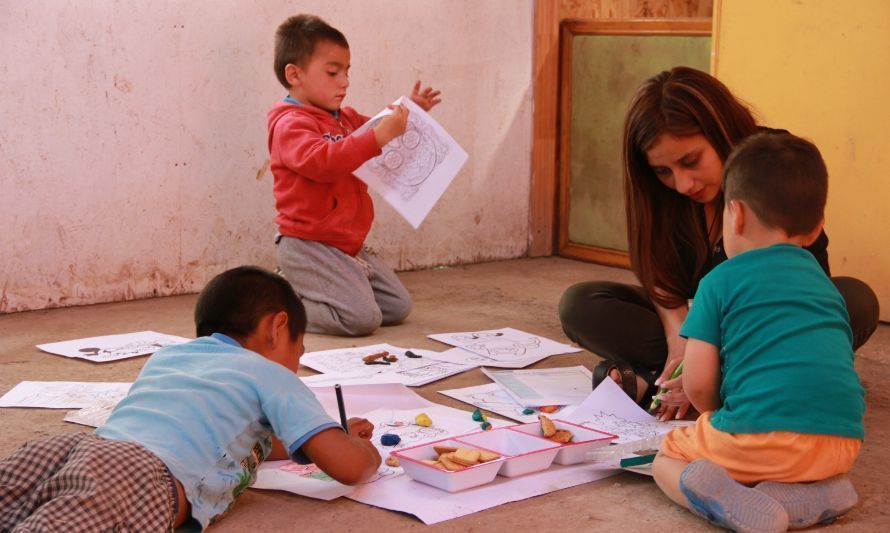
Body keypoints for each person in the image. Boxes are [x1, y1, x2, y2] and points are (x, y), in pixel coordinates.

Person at [558, 67, 879, 416]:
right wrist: (680, 338)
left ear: (721, 129)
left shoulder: (772, 162)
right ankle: (711, 379)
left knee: (854, 301)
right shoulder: (658, 195)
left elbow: (806, 284)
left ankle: (671, 381)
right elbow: (661, 281)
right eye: (663, 171)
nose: (682, 184)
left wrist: (708, 351)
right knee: (582, 303)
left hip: (766, 321)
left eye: (691, 161)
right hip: (701, 321)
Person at [0, 266, 382, 530]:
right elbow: (349, 468)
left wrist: (329, 433)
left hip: (75, 449)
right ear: (277, 327)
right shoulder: (272, 374)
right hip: (137, 477)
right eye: (300, 349)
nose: (297, 362)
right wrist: (362, 452)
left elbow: (247, 441)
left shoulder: (170, 357)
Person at [651, 132, 865, 532]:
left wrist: (717, 413)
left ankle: (726, 500)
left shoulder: (718, 281)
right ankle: (819, 492)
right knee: (787, 455)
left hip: (758, 440)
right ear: (818, 228)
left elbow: (697, 384)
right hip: (840, 443)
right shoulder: (824, 285)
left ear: (737, 213)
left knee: (667, 456)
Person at [268, 14, 442, 336]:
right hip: (309, 244)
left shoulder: (344, 118)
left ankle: (328, 287)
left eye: (347, 72)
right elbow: (326, 161)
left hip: (348, 244)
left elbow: (374, 126)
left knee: (396, 307)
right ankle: (282, 302)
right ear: (294, 74)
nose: (344, 81)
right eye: (333, 72)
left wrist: (408, 112)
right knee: (361, 320)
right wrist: (378, 137)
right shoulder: (290, 124)